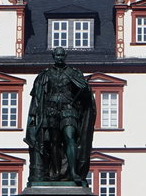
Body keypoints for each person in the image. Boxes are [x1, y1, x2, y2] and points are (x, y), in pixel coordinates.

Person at [24, 46, 96, 184]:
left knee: (70, 137)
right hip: (51, 111)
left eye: (62, 55)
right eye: (57, 55)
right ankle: (56, 172)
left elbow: (85, 94)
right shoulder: (45, 75)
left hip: (69, 109)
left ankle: (73, 172)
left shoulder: (74, 73)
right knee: (54, 143)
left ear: (65, 55)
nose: (60, 58)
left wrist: (86, 89)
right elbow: (37, 98)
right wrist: (33, 116)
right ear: (53, 56)